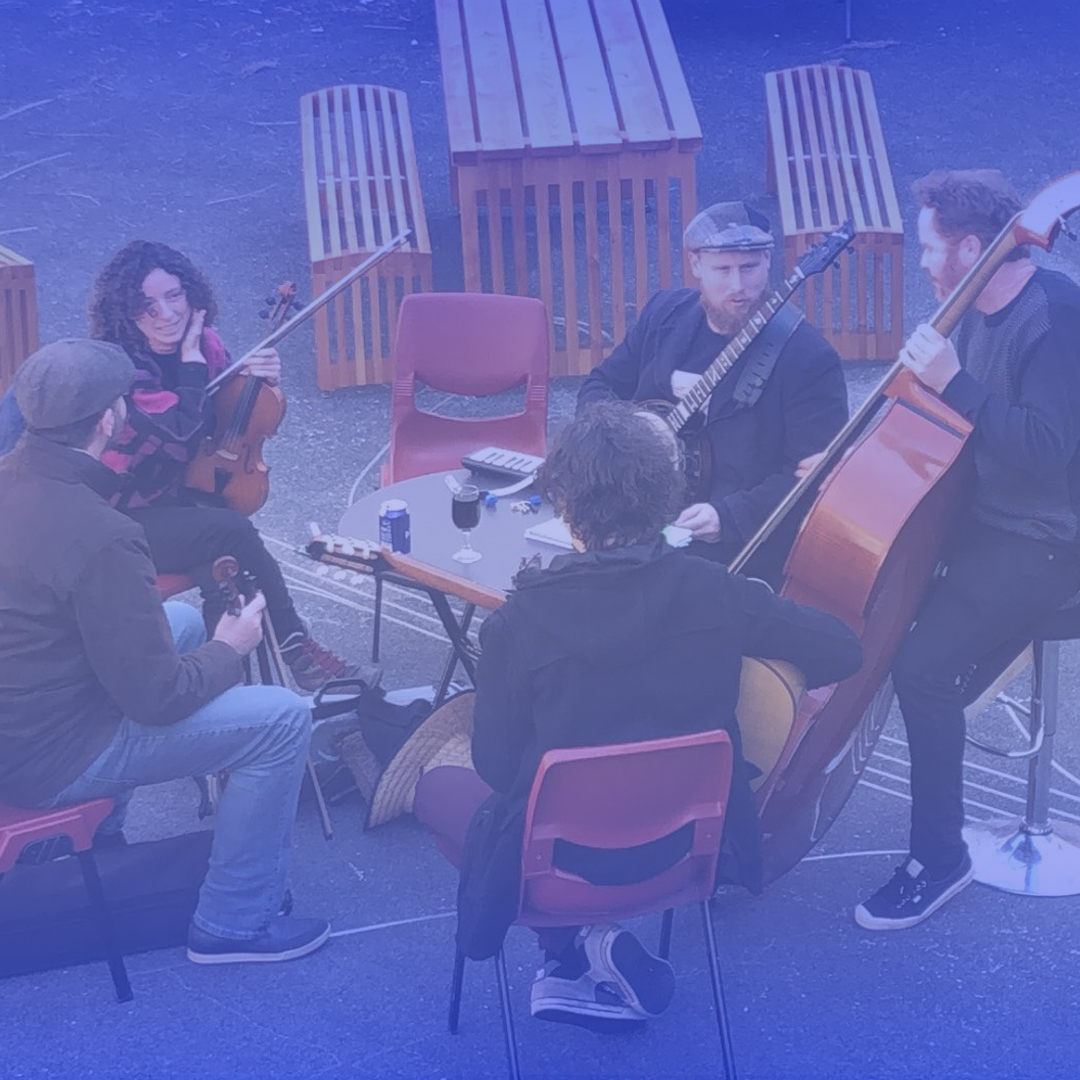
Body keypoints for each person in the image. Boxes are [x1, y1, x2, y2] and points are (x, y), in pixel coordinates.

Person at [413, 403, 863, 1027]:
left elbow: (494, 764)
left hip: (559, 863)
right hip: (687, 851)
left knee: (439, 786)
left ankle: (571, 950)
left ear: (565, 507)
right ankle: (579, 959)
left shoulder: (518, 625)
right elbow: (844, 649)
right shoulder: (717, 593)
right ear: (666, 500)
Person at [0, 339, 330, 963]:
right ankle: (235, 923)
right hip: (49, 756)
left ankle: (100, 835)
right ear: (107, 420)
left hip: (19, 714)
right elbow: (154, 699)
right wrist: (230, 649)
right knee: (282, 719)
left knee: (177, 618)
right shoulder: (103, 535)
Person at [849, 170, 1080, 929]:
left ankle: (937, 859)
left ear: (972, 249)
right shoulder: (975, 302)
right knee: (878, 591)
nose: (920, 263)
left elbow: (1049, 453)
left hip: (1050, 539)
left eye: (928, 248)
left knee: (923, 666)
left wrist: (955, 385)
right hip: (988, 516)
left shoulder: (1055, 318)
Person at [0, 240, 375, 693]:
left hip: (163, 496)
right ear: (125, 311)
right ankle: (286, 655)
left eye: (173, 296)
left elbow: (223, 423)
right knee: (229, 533)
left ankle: (240, 670)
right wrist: (192, 366)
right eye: (146, 305)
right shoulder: (119, 367)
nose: (165, 314)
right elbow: (175, 431)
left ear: (190, 293)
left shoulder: (208, 344)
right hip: (109, 516)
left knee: (223, 543)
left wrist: (256, 383)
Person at [577, 201, 848, 577]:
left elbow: (815, 477)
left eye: (749, 268)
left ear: (769, 261)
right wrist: (631, 431)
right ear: (696, 265)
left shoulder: (808, 359)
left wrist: (730, 516)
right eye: (723, 270)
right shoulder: (664, 315)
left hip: (728, 548)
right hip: (636, 511)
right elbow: (599, 386)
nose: (738, 287)